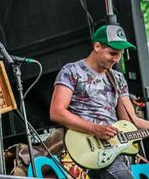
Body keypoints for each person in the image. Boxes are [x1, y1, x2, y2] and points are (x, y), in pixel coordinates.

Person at [50, 25, 149, 178]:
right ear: (97, 46)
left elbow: (130, 120)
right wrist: (95, 129)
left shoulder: (118, 78)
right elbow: (57, 112)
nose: (116, 59)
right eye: (112, 53)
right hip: (88, 148)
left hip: (117, 149)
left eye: (120, 54)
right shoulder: (71, 71)